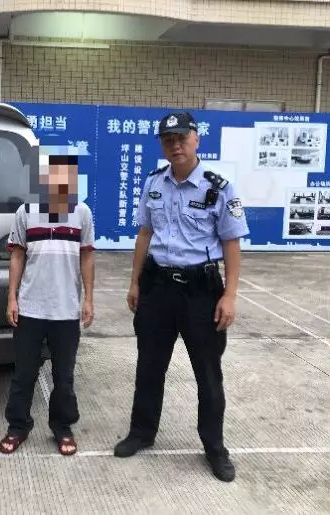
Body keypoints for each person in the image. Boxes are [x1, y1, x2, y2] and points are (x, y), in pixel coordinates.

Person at [114, 111, 249, 482]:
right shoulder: (154, 182)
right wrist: (135, 282)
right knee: (149, 365)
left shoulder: (218, 188)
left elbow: (231, 243)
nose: (175, 145)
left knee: (208, 373)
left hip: (200, 292)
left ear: (196, 138)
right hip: (157, 287)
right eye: (168, 140)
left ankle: (214, 447)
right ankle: (142, 432)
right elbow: (145, 233)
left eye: (181, 138)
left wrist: (230, 295)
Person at [0, 146, 95, 456]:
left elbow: (87, 256)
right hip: (30, 307)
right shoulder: (25, 212)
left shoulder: (82, 213)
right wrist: (12, 297)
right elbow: (17, 256)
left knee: (63, 376)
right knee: (24, 373)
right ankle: (18, 426)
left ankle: (62, 427)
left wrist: (89, 299)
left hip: (66, 309)